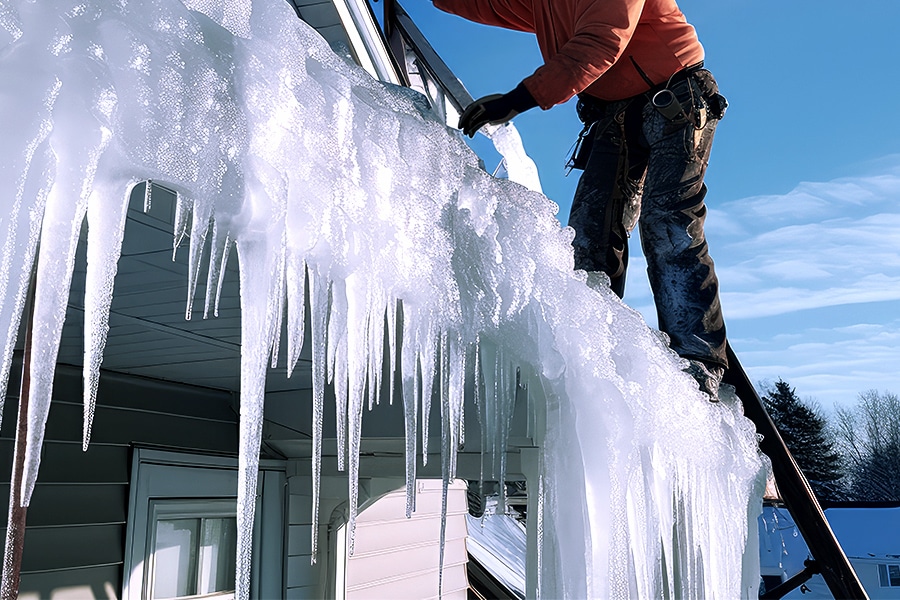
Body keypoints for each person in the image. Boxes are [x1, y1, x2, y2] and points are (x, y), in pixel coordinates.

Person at [432, 0, 730, 400]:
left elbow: (601, 42)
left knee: (668, 221)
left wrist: (515, 100)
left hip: (675, 96)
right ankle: (591, 347)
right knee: (588, 237)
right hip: (614, 112)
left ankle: (698, 357)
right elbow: (490, 5)